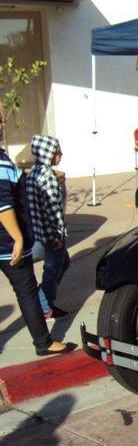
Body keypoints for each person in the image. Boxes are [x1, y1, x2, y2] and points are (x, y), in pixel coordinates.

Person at [0, 112, 74, 356]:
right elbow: (3, 204)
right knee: (27, 290)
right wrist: (19, 238)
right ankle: (44, 341)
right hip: (7, 242)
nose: (3, 126)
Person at [27, 134, 70, 320]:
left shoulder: (33, 174)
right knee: (52, 271)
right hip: (50, 236)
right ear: (47, 154)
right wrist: (57, 236)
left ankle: (43, 301)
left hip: (39, 233)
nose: (60, 154)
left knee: (64, 261)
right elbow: (54, 211)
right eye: (57, 151)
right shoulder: (49, 178)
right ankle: (46, 307)